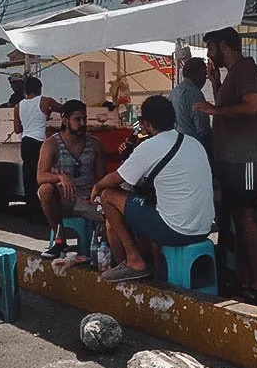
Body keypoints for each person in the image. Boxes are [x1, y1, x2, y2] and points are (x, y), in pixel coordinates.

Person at [91, 95, 215, 282]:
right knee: (156, 208)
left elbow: (116, 179)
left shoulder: (151, 146)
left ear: (147, 124)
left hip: (177, 230)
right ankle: (159, 273)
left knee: (108, 196)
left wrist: (97, 186)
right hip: (204, 227)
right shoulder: (193, 142)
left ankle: (134, 261)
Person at [194, 27, 257, 301]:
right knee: (237, 218)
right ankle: (244, 279)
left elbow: (253, 106)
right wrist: (215, 84)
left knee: (247, 217)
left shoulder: (246, 69)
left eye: (210, 48)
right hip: (232, 159)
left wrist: (215, 110)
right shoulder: (232, 74)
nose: (208, 54)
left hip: (247, 158)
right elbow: (230, 107)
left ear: (224, 46)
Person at [38, 100, 106, 259]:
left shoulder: (95, 144)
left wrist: (97, 196)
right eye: (77, 119)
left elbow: (102, 178)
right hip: (64, 199)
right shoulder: (52, 144)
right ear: (65, 120)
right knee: (45, 190)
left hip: (87, 199)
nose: (82, 123)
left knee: (113, 213)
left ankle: (105, 250)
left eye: (85, 119)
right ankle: (59, 239)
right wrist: (60, 177)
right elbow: (40, 176)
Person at [13, 76, 58, 220]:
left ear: (25, 91)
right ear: (39, 89)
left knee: (29, 177)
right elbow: (65, 109)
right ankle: (43, 211)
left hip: (25, 143)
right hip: (40, 142)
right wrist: (47, 114)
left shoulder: (18, 106)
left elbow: (17, 129)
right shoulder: (45, 101)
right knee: (42, 177)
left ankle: (32, 212)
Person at [170, 57, 211, 148]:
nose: (205, 79)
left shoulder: (174, 92)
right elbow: (202, 129)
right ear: (198, 74)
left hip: (176, 144)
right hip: (194, 146)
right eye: (204, 74)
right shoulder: (195, 94)